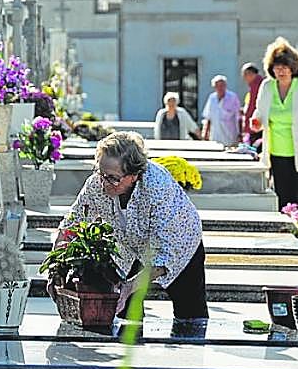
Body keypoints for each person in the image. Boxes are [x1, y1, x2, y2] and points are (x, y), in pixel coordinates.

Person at [54, 132, 207, 335]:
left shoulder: (156, 186)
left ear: (134, 175)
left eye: (113, 179)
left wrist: (129, 287)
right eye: (101, 174)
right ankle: (129, 354)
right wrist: (55, 270)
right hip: (130, 246)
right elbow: (71, 224)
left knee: (190, 315)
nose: (104, 183)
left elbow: (164, 257)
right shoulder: (97, 183)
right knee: (124, 310)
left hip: (180, 245)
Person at [250, 38, 298, 210]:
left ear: (293, 67)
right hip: (278, 154)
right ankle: (288, 236)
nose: (281, 70)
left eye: (285, 66)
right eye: (277, 67)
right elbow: (260, 112)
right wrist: (256, 121)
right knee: (284, 202)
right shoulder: (267, 86)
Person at [201, 75, 241, 146]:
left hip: (230, 137)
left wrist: (240, 134)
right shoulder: (212, 98)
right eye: (218, 86)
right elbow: (208, 118)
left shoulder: (233, 97)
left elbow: (239, 118)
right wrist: (205, 133)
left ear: (225, 86)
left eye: (222, 85)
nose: (220, 88)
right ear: (214, 87)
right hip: (215, 136)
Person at [239, 62, 265, 145]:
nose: (244, 78)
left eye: (245, 75)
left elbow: (254, 107)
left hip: (257, 125)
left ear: (251, 74)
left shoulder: (257, 84)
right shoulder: (255, 85)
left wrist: (248, 126)